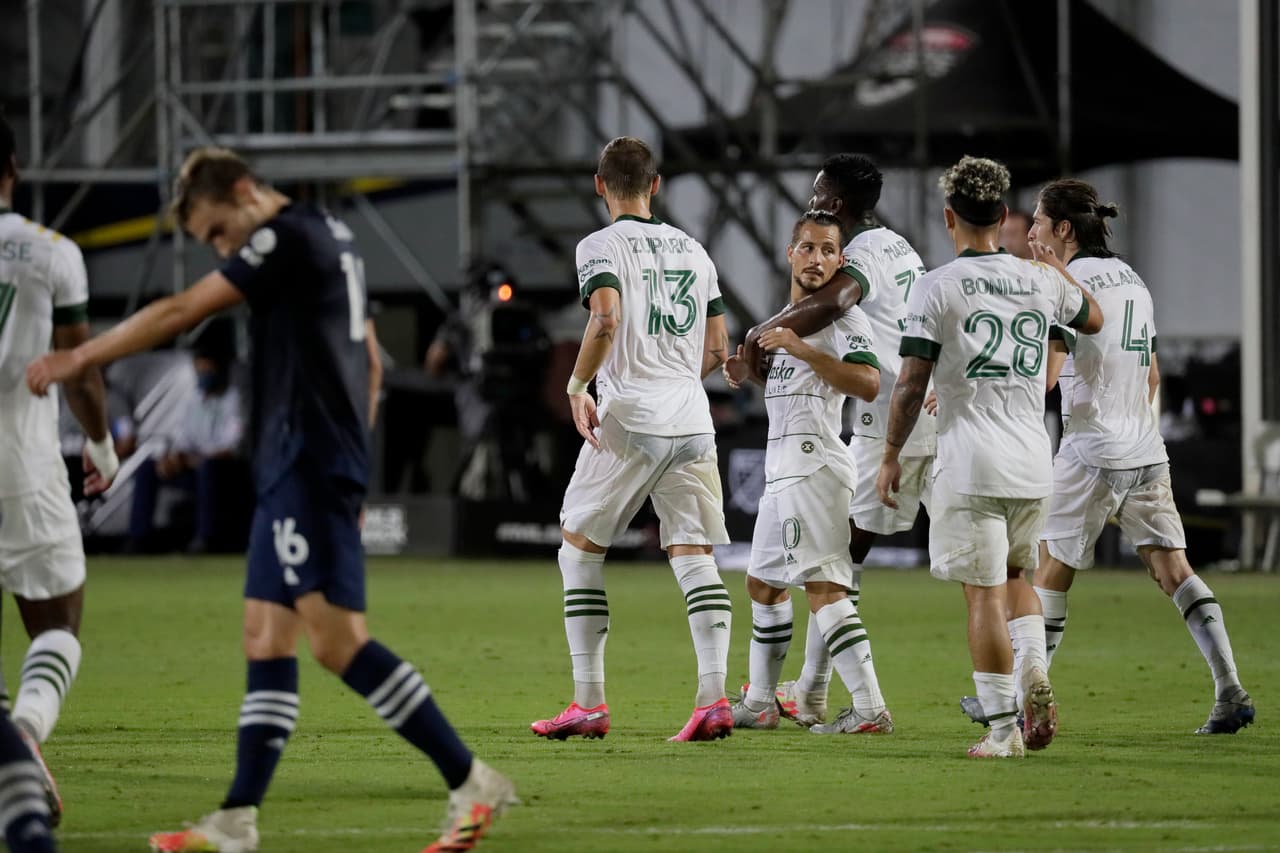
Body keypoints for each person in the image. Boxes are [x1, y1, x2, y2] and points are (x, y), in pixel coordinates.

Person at [27, 146, 514, 853]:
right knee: (265, 635)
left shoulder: (282, 237)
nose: (223, 249)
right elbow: (371, 358)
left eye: (219, 232)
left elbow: (184, 308)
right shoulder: (331, 234)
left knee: (337, 643)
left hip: (307, 459)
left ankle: (471, 779)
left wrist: (82, 356)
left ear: (246, 191)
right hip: (304, 460)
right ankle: (237, 817)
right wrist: (354, 454)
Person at [875, 155, 1103, 758]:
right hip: (1034, 460)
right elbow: (1095, 318)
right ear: (1003, 215)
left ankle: (1003, 731)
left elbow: (909, 382)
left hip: (970, 463)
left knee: (982, 594)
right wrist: (1057, 269)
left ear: (949, 218)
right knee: (1016, 577)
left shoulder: (936, 286)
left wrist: (891, 453)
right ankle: (1035, 670)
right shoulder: (1041, 278)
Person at [1029, 179, 1254, 734]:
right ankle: (1230, 689)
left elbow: (1049, 378)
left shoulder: (1066, 285)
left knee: (1050, 570)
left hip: (1090, 448)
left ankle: (1023, 697)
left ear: (1062, 229)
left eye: (1037, 220)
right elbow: (1152, 374)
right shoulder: (1134, 280)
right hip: (1144, 449)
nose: (1031, 231)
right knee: (1173, 568)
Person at [530, 136, 735, 742]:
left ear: (600, 185)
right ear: (657, 185)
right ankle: (714, 699)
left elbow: (607, 316)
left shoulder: (600, 245)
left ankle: (589, 703)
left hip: (630, 415)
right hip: (693, 420)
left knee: (579, 548)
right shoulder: (695, 251)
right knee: (695, 555)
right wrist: (673, 387)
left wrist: (577, 384)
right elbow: (719, 347)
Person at [739, 154, 935, 728]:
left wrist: (763, 334)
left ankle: (864, 704)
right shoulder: (899, 246)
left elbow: (834, 307)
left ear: (836, 207)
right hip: (887, 418)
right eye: (807, 248)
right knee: (775, 577)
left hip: (887, 421)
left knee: (832, 574)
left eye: (818, 190)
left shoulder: (851, 283)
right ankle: (777, 699)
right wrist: (752, 358)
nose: (811, 196)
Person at [723, 211, 891, 735]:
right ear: (789, 253)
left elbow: (867, 382)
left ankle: (870, 709)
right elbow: (791, 386)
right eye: (807, 248)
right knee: (763, 585)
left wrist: (797, 348)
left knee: (824, 589)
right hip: (782, 470)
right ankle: (760, 703)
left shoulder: (841, 319)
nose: (816, 259)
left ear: (841, 261)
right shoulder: (786, 319)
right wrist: (746, 372)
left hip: (814, 464)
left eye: (827, 250)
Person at [0, 112, 119, 826]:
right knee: (58, 617)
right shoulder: (50, 253)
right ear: (12, 167)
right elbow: (80, 369)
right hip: (21, 455)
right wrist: (100, 446)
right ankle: (24, 733)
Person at [128, 319, 249, 553]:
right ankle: (138, 538)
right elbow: (183, 438)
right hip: (195, 466)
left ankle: (204, 539)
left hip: (227, 471)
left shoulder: (235, 399)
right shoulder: (194, 400)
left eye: (208, 371)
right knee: (148, 468)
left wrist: (198, 459)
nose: (203, 375)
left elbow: (234, 447)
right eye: (199, 370)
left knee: (208, 468)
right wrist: (172, 457)